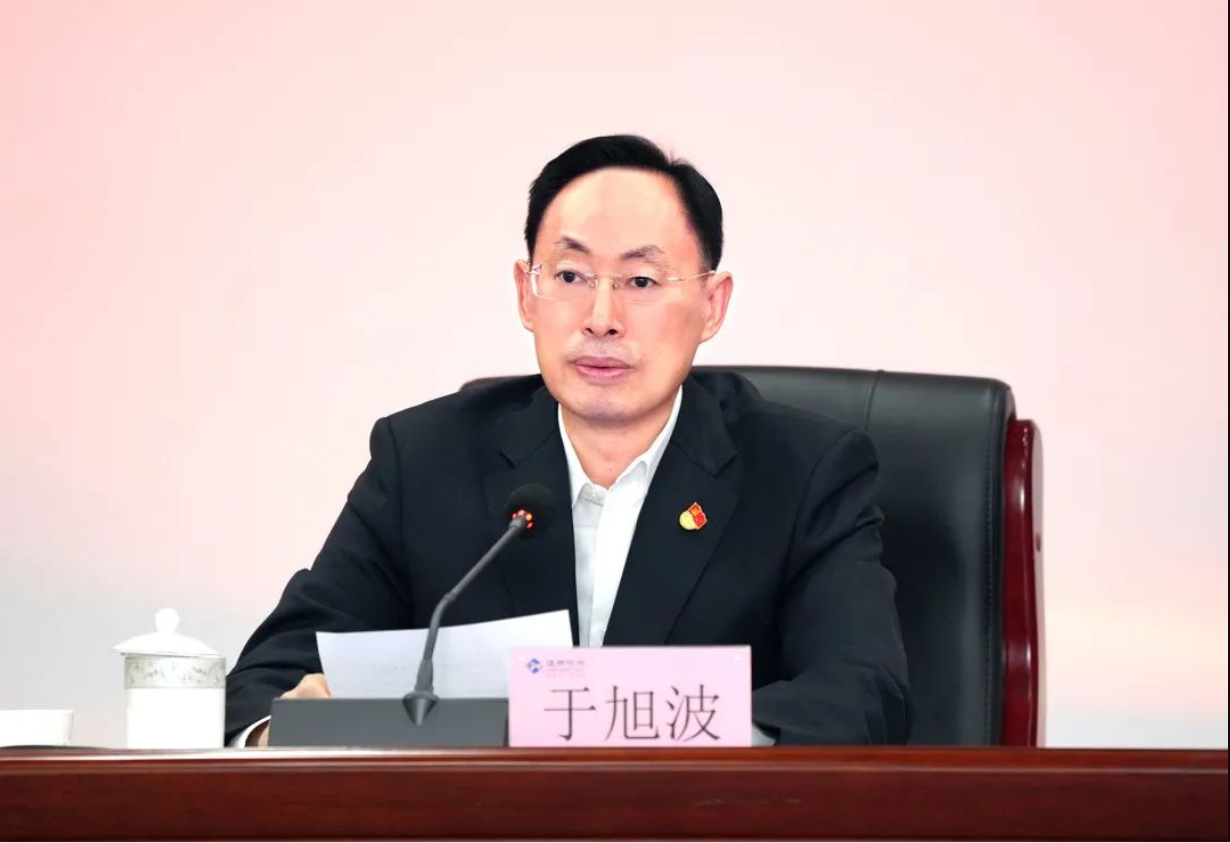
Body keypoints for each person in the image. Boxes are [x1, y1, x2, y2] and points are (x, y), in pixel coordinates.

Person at [226, 135, 913, 747]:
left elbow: (862, 696)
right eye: (570, 276)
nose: (601, 318)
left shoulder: (803, 473)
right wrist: (287, 734)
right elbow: (267, 681)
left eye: (641, 281)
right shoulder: (425, 459)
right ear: (526, 294)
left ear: (712, 305)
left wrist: (625, 730)